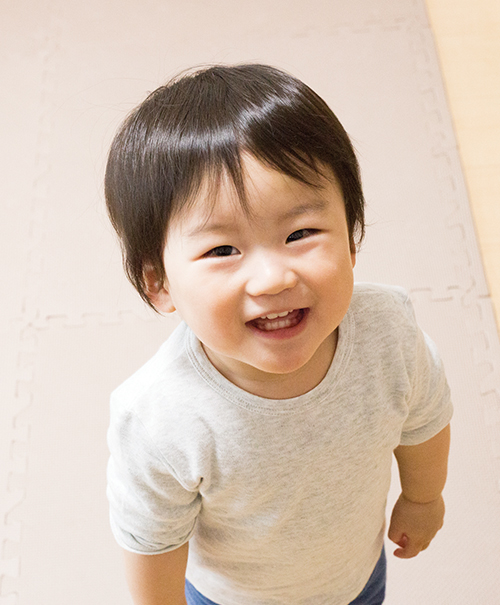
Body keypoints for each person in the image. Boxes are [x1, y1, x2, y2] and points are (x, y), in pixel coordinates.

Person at [105, 64, 452, 605]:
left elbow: (424, 420)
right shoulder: (159, 416)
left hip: (356, 580)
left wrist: (423, 499)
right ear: (160, 283)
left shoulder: (388, 331)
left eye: (301, 233)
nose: (273, 278)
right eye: (222, 250)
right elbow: (152, 543)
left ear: (352, 240)